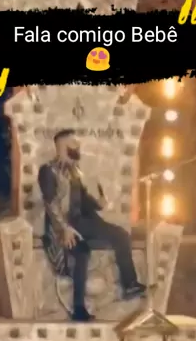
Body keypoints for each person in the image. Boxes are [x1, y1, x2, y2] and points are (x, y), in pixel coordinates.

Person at [38, 128, 146, 322]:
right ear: (62, 146)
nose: (77, 146)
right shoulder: (48, 170)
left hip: (82, 221)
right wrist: (64, 228)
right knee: (81, 253)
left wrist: (99, 204)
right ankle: (79, 309)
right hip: (64, 225)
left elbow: (83, 199)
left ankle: (130, 284)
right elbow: (51, 203)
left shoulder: (74, 171)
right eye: (73, 143)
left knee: (120, 235)